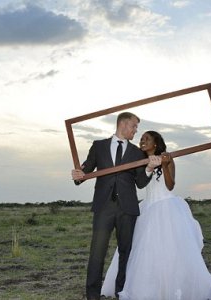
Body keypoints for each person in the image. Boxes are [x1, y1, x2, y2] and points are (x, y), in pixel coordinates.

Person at [101, 130, 211, 300]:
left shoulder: (167, 158)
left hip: (166, 208)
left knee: (170, 248)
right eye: (141, 139)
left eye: (147, 139)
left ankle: (174, 284)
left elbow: (170, 185)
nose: (142, 141)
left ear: (156, 144)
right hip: (147, 209)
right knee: (141, 249)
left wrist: (165, 165)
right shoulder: (139, 162)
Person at [72, 112, 162, 300]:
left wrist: (148, 169)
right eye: (134, 126)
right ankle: (92, 295)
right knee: (97, 252)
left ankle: (122, 293)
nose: (136, 131)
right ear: (123, 124)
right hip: (103, 207)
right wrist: (78, 175)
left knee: (125, 252)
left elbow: (140, 183)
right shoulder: (99, 146)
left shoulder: (137, 153)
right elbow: (86, 170)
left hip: (127, 209)